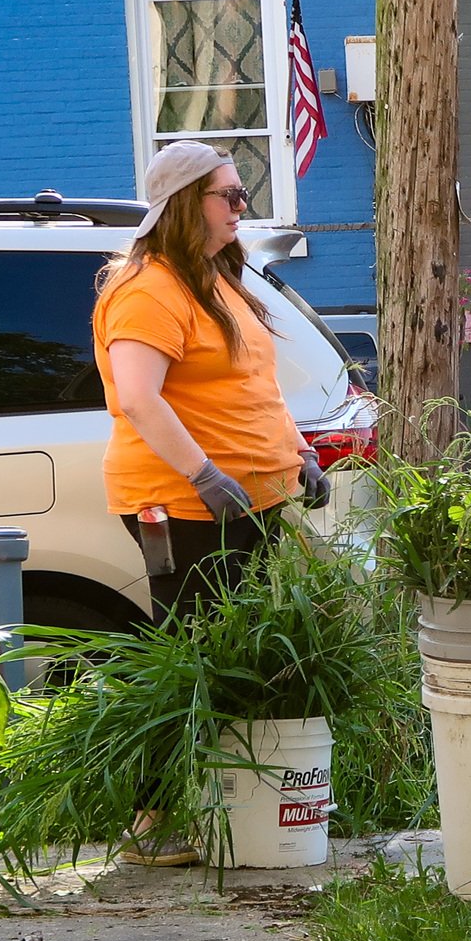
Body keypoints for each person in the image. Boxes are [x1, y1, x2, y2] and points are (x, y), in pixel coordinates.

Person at [92, 140, 331, 864]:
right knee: (188, 654)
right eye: (228, 195)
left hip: (251, 500)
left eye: (242, 192)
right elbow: (138, 395)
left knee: (239, 653)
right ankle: (150, 819)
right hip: (183, 504)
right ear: (182, 205)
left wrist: (302, 455)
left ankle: (236, 803)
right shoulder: (149, 288)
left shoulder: (218, 280)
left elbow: (255, 386)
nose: (241, 206)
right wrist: (201, 473)